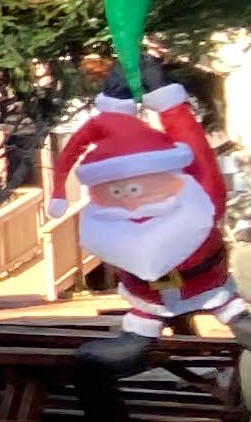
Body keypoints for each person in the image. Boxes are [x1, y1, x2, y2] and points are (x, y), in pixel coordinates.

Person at [48, 79, 238, 371]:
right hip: (147, 299)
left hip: (206, 282)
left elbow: (196, 152)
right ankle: (113, 403)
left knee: (233, 316)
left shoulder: (193, 201)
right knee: (96, 362)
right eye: (115, 191)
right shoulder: (114, 221)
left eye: (134, 190)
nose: (129, 200)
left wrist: (171, 107)